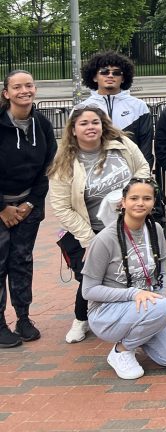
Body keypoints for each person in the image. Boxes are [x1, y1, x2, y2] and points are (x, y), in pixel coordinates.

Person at [47, 104, 149, 345]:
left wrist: (133, 195)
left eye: (95, 122)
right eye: (83, 123)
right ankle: (81, 318)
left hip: (128, 224)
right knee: (90, 277)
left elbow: (143, 167)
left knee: (132, 270)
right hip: (91, 229)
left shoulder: (121, 144)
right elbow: (61, 207)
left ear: (103, 125)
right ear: (73, 130)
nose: (90, 127)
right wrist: (89, 239)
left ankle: (135, 313)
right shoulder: (65, 163)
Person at [81, 177, 166, 379]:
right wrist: (134, 294)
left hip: (148, 306)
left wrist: (156, 299)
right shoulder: (105, 239)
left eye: (147, 198)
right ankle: (122, 350)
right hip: (106, 312)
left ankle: (142, 332)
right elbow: (88, 291)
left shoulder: (156, 230)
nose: (140, 203)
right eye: (134, 198)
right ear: (123, 202)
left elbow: (160, 272)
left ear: (153, 202)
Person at [0, 70, 56, 347]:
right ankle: (0, 323)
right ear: (6, 93)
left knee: (21, 261)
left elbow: (49, 169)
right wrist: (4, 208)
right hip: (1, 207)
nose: (24, 90)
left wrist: (30, 203)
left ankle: (23, 317)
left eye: (29, 85)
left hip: (28, 207)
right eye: (17, 86)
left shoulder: (43, 125)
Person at [83, 51, 153, 168]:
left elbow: (146, 147)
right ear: (94, 77)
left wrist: (143, 176)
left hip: (131, 174)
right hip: (94, 173)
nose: (110, 75)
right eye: (104, 72)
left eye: (116, 73)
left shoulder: (139, 107)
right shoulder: (81, 109)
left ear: (123, 78)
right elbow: (73, 146)